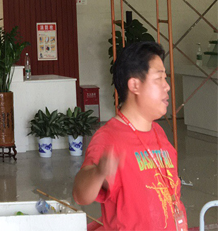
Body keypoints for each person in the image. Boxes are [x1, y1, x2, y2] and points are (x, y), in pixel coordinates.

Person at [73, 41, 187, 230]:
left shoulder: (159, 132)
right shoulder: (109, 137)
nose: (167, 86)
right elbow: (80, 195)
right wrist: (99, 172)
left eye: (165, 78)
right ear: (135, 85)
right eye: (159, 78)